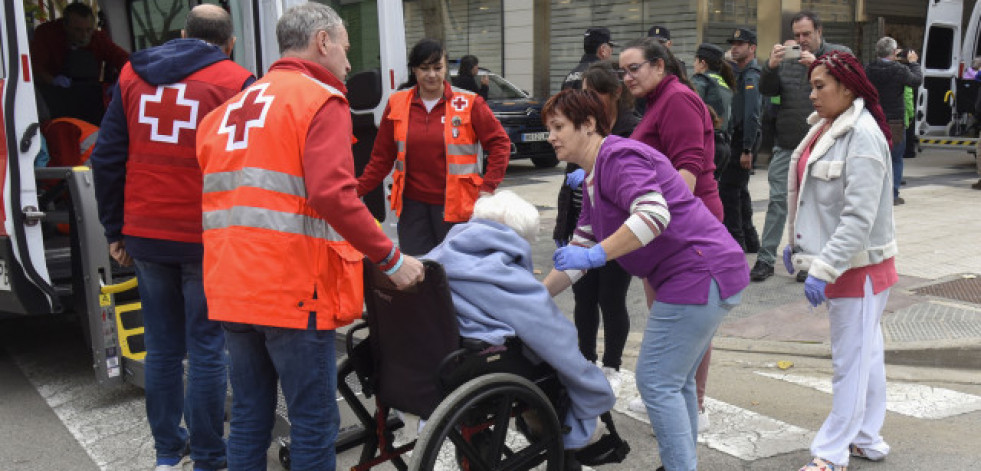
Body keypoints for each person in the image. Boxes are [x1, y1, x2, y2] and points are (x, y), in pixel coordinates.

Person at [195, 4, 426, 469]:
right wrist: (393, 260)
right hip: (292, 291)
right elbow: (333, 195)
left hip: (231, 288)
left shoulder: (225, 113)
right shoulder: (320, 100)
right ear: (322, 42)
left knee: (248, 419)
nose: (347, 58)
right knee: (314, 423)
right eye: (344, 44)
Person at [541, 89, 748, 471]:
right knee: (676, 382)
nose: (550, 136)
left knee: (655, 381)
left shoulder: (618, 157)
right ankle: (682, 466)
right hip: (699, 271)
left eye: (558, 127)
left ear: (588, 125)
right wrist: (537, 296)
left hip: (699, 270)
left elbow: (654, 214)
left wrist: (597, 255)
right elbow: (581, 246)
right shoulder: (592, 174)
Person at [90, 5, 254, 471]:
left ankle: (167, 453)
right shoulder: (236, 82)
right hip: (205, 236)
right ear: (230, 42)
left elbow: (106, 158)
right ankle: (208, 457)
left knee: (161, 348)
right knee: (206, 347)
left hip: (145, 231)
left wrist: (114, 228)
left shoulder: (131, 75)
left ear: (181, 35)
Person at [424, 190, 616, 453]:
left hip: (431, 358)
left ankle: (480, 439)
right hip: (474, 364)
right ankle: (562, 441)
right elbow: (552, 335)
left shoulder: (438, 256)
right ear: (518, 238)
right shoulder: (501, 274)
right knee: (553, 369)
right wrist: (592, 383)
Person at [784, 50, 897, 471]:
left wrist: (822, 268)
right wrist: (794, 243)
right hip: (845, 266)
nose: (812, 95)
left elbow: (858, 219)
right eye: (811, 86)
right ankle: (867, 438)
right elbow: (808, 199)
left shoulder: (861, 135)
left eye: (820, 86)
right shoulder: (828, 127)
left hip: (858, 269)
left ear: (847, 87)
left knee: (851, 362)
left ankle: (831, 453)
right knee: (865, 356)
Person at [619, 37, 723, 429]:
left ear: (659, 66)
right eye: (623, 71)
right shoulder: (659, 102)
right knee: (668, 317)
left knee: (688, 319)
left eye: (634, 68)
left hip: (685, 228)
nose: (627, 77)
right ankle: (670, 392)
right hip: (666, 228)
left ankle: (693, 405)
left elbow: (688, 170)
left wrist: (658, 220)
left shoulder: (676, 99)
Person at [357, 39, 510, 256]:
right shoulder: (397, 103)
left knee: (457, 273)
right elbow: (381, 158)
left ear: (446, 68)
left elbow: (500, 144)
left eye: (438, 68)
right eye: (424, 68)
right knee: (418, 272)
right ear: (414, 69)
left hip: (458, 209)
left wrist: (488, 188)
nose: (431, 75)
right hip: (412, 210)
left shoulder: (469, 103)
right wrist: (356, 190)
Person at [553, 61, 638, 396]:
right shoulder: (582, 124)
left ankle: (612, 365)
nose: (586, 99)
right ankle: (584, 361)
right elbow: (568, 184)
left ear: (614, 93)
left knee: (610, 297)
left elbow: (647, 208)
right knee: (583, 298)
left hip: (617, 231)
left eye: (593, 93)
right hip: (581, 222)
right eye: (583, 92)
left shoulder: (630, 128)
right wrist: (564, 228)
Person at [753, 10, 852, 282]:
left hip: (825, 142)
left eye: (806, 34)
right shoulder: (786, 59)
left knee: (817, 203)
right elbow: (767, 91)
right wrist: (771, 66)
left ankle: (812, 261)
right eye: (797, 35)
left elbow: (853, 87)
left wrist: (819, 64)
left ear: (819, 31)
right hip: (787, 142)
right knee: (777, 201)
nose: (801, 40)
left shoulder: (838, 54)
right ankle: (765, 258)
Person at [30, 2, 129, 125]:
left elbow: (124, 60)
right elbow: (35, 68)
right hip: (55, 100)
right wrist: (52, 80)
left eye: (88, 30)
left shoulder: (97, 39)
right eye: (78, 30)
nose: (84, 36)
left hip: (91, 99)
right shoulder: (47, 34)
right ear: (65, 25)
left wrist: (121, 82)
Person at [865, 36, 921, 206]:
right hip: (895, 120)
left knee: (873, 157)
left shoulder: (868, 68)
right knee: (895, 157)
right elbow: (916, 81)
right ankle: (893, 195)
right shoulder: (900, 70)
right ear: (894, 52)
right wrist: (913, 63)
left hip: (873, 118)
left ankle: (872, 193)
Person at [722, 28, 763, 253]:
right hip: (738, 139)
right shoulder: (737, 71)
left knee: (729, 191)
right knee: (740, 190)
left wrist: (747, 148)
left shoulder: (751, 75)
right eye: (733, 43)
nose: (735, 47)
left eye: (740, 44)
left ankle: (735, 243)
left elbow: (751, 115)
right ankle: (750, 240)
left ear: (752, 47)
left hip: (742, 140)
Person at [691, 43, 734, 179]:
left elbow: (690, 109)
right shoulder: (724, 82)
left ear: (702, 62)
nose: (693, 65)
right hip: (724, 145)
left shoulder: (701, 80)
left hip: (708, 145)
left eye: (695, 61)